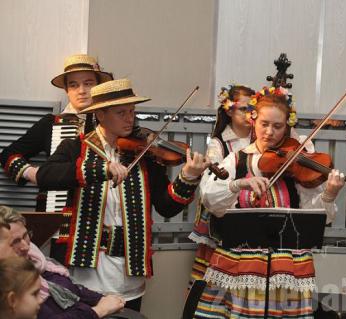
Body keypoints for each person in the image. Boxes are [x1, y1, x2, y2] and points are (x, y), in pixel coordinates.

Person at [36, 79, 211, 311]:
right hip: (86, 269)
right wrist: (101, 169)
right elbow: (46, 175)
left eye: (132, 111)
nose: (130, 119)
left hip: (129, 272)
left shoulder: (146, 155)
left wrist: (188, 177)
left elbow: (166, 206)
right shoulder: (75, 148)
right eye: (121, 113)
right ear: (100, 115)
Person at [193, 86, 345, 318]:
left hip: (286, 264)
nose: (269, 132)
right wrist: (237, 184)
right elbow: (209, 197)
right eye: (264, 124)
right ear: (253, 120)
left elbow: (314, 217)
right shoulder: (237, 159)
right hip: (240, 263)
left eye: (277, 126)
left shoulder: (296, 162)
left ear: (287, 127)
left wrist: (329, 195)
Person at [0, 54, 113, 264]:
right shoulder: (51, 124)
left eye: (88, 83)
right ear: (66, 90)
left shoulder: (111, 124)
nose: (81, 90)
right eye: (74, 85)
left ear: (98, 86)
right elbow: (8, 154)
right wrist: (32, 173)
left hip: (103, 222)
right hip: (63, 223)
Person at [0, 205, 125, 318]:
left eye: (25, 236)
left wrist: (103, 299)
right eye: (15, 241)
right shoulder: (9, 282)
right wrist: (98, 310)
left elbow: (73, 288)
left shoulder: (36, 260)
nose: (26, 247)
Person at [188, 84, 255, 287]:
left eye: (254, 109)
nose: (250, 114)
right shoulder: (219, 143)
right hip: (224, 216)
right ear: (229, 109)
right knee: (215, 277)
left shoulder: (260, 138)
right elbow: (212, 184)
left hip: (251, 214)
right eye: (244, 109)